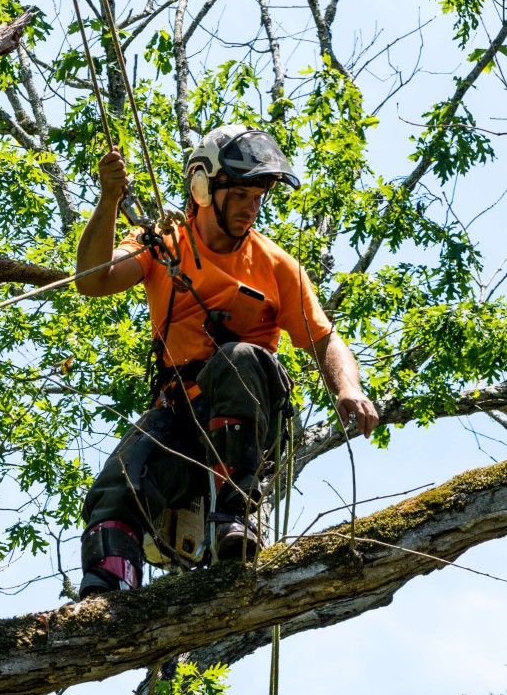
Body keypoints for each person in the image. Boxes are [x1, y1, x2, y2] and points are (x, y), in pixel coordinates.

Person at [74, 124, 379, 597]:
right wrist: (109, 200)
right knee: (118, 483)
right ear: (202, 187)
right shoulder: (163, 242)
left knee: (235, 358)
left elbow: (325, 340)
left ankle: (235, 513)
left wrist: (348, 388)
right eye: (239, 193)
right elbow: (94, 280)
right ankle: (108, 592)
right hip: (181, 415)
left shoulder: (277, 266)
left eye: (258, 195)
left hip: (245, 423)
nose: (251, 206)